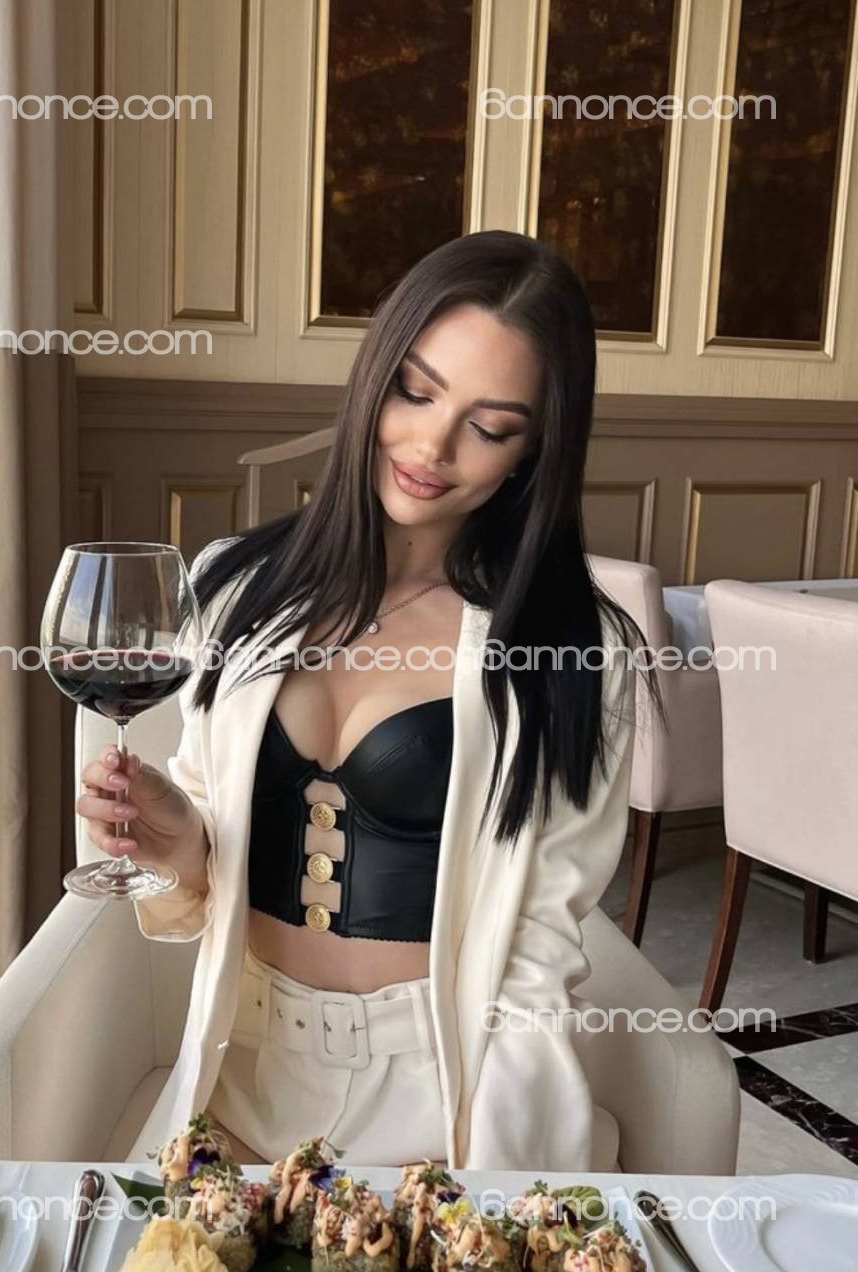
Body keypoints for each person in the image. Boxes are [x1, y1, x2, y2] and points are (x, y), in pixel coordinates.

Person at [77, 230, 654, 1172]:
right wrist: (178, 841)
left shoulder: (575, 652)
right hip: (241, 1075)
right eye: (415, 392)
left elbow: (538, 943)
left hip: (442, 1095)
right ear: (373, 377)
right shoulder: (233, 586)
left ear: (534, 450)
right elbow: (203, 873)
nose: (432, 446)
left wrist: (495, 1174)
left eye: (489, 427)